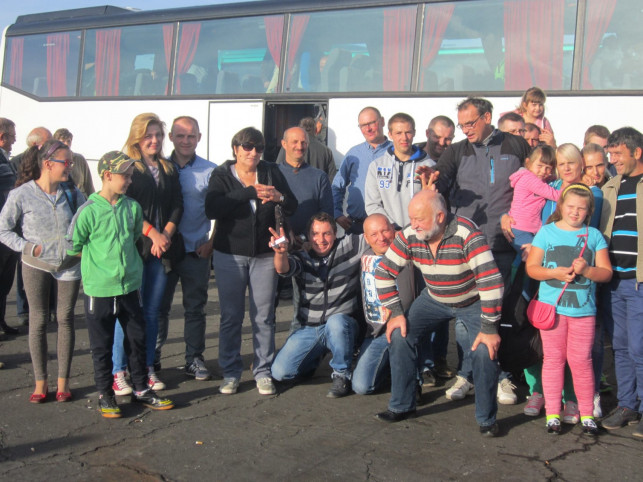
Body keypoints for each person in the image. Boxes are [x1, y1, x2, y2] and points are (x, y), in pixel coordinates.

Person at [374, 190, 503, 437]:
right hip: (434, 298)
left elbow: (491, 282)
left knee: (486, 349)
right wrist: (396, 312)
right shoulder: (410, 235)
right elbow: (384, 272)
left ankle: (486, 419)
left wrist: (489, 328)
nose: (414, 225)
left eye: (420, 219)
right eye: (411, 218)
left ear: (440, 216)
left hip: (472, 300)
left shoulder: (468, 234)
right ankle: (402, 405)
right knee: (400, 335)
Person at [432, 97, 529, 405]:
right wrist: (430, 181)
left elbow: (534, 185)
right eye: (462, 124)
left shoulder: (516, 146)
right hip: (467, 247)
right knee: (465, 315)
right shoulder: (456, 151)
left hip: (504, 244)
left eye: (470, 123)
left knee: (496, 314)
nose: (466, 130)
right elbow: (439, 185)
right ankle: (466, 373)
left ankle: (501, 376)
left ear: (487, 117)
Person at [68, 151, 174, 418]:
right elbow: (74, 246)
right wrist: (100, 267)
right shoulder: (88, 211)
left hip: (130, 288)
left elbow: (137, 238)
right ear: (107, 176)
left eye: (130, 175)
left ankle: (141, 389)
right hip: (99, 290)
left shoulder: (132, 207)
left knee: (137, 341)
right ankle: (106, 394)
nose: (129, 180)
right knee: (101, 346)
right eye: (124, 176)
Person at [205, 127, 297, 396]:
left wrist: (279, 197)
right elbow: (212, 208)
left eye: (258, 148)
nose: (253, 152)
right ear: (236, 149)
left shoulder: (270, 171)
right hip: (229, 253)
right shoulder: (222, 174)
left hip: (265, 254)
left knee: (264, 316)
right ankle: (231, 372)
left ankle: (263, 371)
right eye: (247, 147)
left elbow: (293, 205)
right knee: (231, 316)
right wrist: (248, 193)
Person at [0, 139, 84, 402]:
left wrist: (81, 246)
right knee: (37, 321)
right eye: (65, 162)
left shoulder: (73, 193)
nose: (70, 166)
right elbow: (3, 229)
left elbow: (86, 221)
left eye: (70, 162)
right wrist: (26, 248)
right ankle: (40, 382)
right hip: (35, 265)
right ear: (48, 164)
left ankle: (63, 382)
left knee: (65, 319)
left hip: (69, 265)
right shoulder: (21, 194)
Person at [526, 184, 612, 435]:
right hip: (552, 311)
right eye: (570, 206)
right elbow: (532, 268)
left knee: (581, 362)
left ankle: (586, 413)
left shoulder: (594, 236)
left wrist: (586, 271)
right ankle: (553, 412)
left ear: (589, 211)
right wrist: (553, 272)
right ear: (561, 205)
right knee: (553, 360)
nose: (575, 212)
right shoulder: (546, 232)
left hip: (584, 312)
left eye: (581, 209)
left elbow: (606, 273)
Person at [111, 113, 183, 396]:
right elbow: (122, 202)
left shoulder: (167, 167)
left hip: (161, 250)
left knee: (152, 313)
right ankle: (119, 371)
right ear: (137, 137)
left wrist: (165, 233)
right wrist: (151, 232)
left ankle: (147, 367)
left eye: (158, 135)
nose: (154, 140)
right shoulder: (127, 165)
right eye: (148, 135)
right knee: (127, 313)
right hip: (133, 250)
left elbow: (178, 203)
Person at [270, 212, 367, 398]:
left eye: (326, 233)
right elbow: (283, 268)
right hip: (311, 328)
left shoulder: (351, 245)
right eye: (315, 234)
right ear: (308, 235)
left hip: (342, 324)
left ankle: (342, 375)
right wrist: (280, 253)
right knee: (280, 373)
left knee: (337, 323)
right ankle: (313, 359)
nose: (320, 239)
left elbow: (376, 234)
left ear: (336, 232)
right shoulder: (302, 257)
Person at [155, 116, 216, 381]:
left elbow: (220, 213)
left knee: (195, 309)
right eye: (180, 136)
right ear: (171, 138)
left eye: (191, 136)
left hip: (196, 251)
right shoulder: (157, 168)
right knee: (158, 308)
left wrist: (211, 243)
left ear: (199, 138)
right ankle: (152, 359)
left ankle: (194, 359)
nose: (185, 141)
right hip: (162, 252)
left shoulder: (211, 171)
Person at [599, 127, 643, 439]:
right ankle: (628, 405)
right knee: (622, 348)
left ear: (636, 152)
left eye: (617, 154)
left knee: (640, 348)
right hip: (614, 281)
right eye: (610, 154)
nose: (612, 160)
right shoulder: (611, 186)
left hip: (640, 283)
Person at [352, 213, 417, 395]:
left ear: (393, 230)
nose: (381, 238)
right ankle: (387, 369)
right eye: (374, 234)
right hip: (376, 333)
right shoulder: (363, 256)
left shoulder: (408, 252)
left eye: (385, 231)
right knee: (361, 386)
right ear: (366, 238)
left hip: (405, 329)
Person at [10, 126, 53, 326]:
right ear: (38, 144)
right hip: (25, 223)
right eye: (49, 141)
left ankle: (45, 308)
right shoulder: (18, 161)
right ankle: (22, 310)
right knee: (24, 268)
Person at [364, 113, 430, 230]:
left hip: (419, 233)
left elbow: (432, 205)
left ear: (414, 132)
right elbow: (372, 205)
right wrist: (391, 227)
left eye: (408, 132)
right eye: (398, 133)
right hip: (390, 234)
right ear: (390, 134)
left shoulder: (428, 166)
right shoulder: (376, 166)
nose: (404, 138)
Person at [332, 107, 392, 234]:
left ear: (382, 121)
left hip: (387, 228)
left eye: (371, 123)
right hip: (357, 227)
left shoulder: (395, 152)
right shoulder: (354, 153)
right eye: (363, 125)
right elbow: (337, 185)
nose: (368, 129)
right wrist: (337, 213)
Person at [277, 127, 333, 237]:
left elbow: (326, 214)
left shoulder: (320, 177)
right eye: (295, 142)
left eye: (303, 142)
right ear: (284, 144)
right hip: (279, 244)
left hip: (310, 244)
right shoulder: (273, 174)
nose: (299, 146)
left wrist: (304, 237)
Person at [507, 145, 559, 255]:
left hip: (523, 228)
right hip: (520, 229)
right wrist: (572, 188)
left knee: (525, 257)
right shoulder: (529, 179)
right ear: (528, 163)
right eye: (539, 166)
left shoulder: (533, 177)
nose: (543, 171)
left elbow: (548, 180)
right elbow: (554, 194)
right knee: (534, 256)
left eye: (548, 168)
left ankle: (516, 269)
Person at [0, 118, 19, 338]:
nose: (14, 141)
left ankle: (2, 319)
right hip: (2, 227)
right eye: (12, 137)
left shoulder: (6, 159)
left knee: (5, 280)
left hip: (9, 228)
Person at [53, 128, 95, 198]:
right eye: (63, 141)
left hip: (82, 199)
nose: (66, 144)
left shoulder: (79, 159)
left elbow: (89, 185)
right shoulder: (53, 161)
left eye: (68, 141)